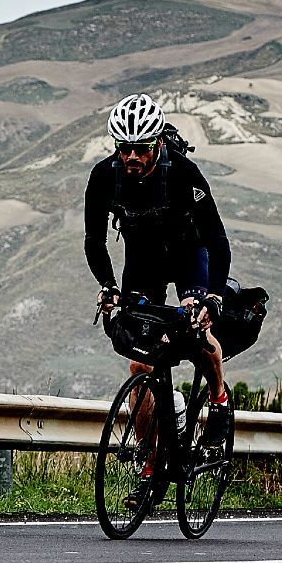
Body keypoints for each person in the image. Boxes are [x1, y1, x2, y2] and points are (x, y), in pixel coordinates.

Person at [86, 93, 236, 445]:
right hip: (144, 261)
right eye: (124, 148)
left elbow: (217, 239)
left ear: (157, 143)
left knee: (195, 327)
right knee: (140, 364)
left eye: (142, 147)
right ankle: (149, 469)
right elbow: (94, 240)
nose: (132, 156)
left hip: (189, 254)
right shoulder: (104, 177)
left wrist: (212, 297)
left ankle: (219, 400)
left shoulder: (184, 173)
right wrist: (108, 286)